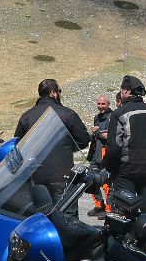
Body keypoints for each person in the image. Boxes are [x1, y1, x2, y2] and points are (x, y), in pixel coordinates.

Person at [103, 75, 146, 239]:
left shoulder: (119, 114)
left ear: (125, 92)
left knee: (122, 212)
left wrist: (110, 168)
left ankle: (120, 246)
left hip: (125, 171)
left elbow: (113, 148)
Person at [13, 78, 91, 216]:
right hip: (62, 174)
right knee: (67, 217)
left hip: (34, 176)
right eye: (59, 91)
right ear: (53, 93)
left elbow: (18, 145)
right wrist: (66, 147)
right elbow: (84, 140)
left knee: (37, 217)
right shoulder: (68, 114)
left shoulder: (26, 116)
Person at [87, 94, 113, 217]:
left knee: (106, 184)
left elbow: (110, 136)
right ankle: (99, 206)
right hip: (95, 154)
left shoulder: (112, 117)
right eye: (99, 104)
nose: (101, 106)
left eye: (103, 104)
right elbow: (98, 134)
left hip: (105, 156)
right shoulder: (97, 117)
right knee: (91, 181)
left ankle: (109, 210)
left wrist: (97, 132)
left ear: (108, 104)